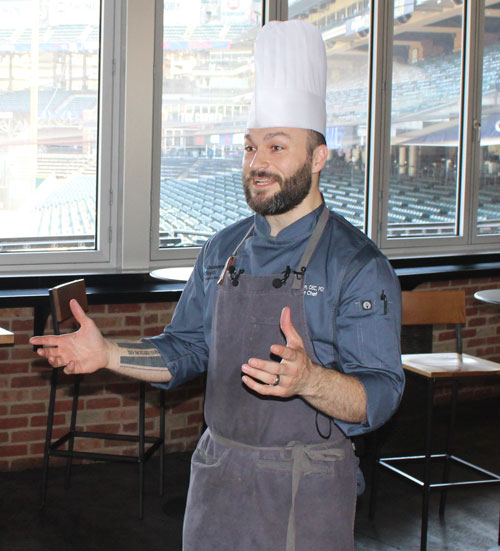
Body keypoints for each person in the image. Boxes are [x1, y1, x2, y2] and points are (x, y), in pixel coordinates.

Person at [31, 20, 404, 551]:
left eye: (277, 147)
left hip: (307, 487)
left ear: (318, 158)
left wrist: (310, 382)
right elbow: (186, 349)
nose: (258, 163)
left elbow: (383, 395)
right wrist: (108, 353)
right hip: (218, 478)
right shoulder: (221, 249)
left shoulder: (357, 264)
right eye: (251, 148)